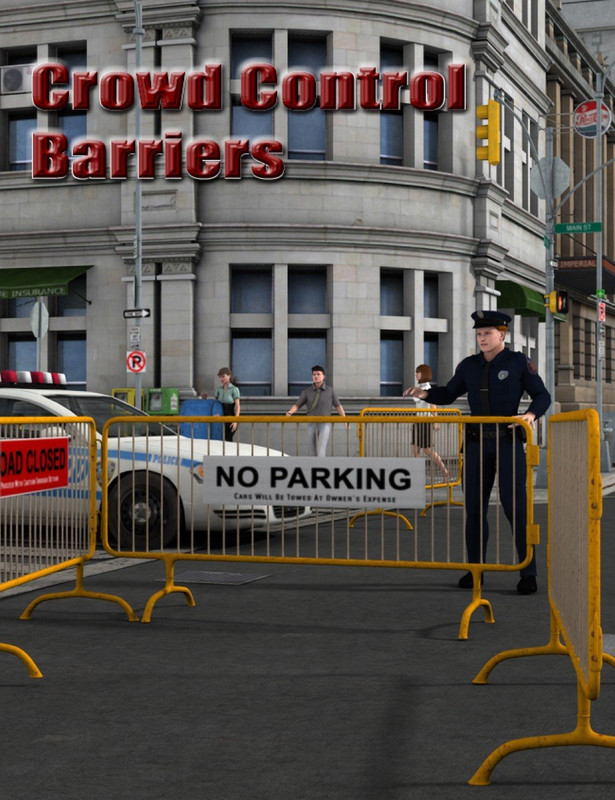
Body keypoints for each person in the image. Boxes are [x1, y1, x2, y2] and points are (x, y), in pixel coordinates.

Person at [406, 311, 551, 595]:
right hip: (475, 444)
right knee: (474, 510)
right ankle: (475, 570)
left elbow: (542, 395)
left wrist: (531, 415)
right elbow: (448, 393)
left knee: (515, 509)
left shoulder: (518, 362)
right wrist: (426, 395)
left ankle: (527, 572)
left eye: (488, 333)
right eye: (479, 334)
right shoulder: (469, 366)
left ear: (502, 334)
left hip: (507, 443)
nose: (482, 338)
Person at [402, 364, 450, 481]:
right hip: (419, 421)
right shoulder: (420, 387)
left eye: (417, 372)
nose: (416, 374)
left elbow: (433, 405)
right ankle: (418, 476)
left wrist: (435, 421)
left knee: (427, 450)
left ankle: (445, 472)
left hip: (425, 421)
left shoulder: (427, 388)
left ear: (423, 374)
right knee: (415, 450)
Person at [286, 365, 346, 456]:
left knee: (321, 446)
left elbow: (338, 405)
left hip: (325, 421)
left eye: (318, 374)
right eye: (314, 374)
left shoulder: (330, 391)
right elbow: (297, 404)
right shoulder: (307, 391)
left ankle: (320, 465)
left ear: (323, 376)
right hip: (311, 422)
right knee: (312, 447)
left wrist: (344, 419)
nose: (316, 376)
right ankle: (313, 466)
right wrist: (290, 412)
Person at [214, 367, 240, 442]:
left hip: (231, 417)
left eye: (223, 376)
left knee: (228, 439)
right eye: (220, 377)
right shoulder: (219, 389)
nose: (221, 379)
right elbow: (215, 403)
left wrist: (235, 421)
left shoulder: (234, 389)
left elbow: (237, 406)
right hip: (220, 416)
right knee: (219, 438)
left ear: (229, 376)